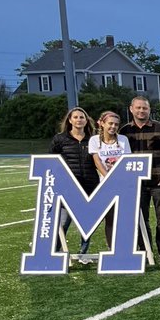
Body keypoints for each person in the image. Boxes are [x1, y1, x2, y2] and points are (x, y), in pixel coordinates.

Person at [120, 96, 160, 255]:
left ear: (149, 110)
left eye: (144, 108)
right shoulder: (124, 131)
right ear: (131, 109)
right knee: (139, 220)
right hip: (137, 183)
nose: (141, 111)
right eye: (138, 107)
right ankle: (144, 252)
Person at [51, 106, 98, 255]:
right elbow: (51, 161)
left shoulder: (93, 139)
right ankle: (55, 251)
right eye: (76, 117)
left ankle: (83, 252)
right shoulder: (60, 139)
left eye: (82, 117)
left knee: (87, 222)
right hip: (68, 187)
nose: (79, 119)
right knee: (63, 222)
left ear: (86, 120)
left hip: (90, 185)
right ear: (70, 120)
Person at [88, 110, 131, 249]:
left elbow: (127, 161)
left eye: (116, 124)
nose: (113, 126)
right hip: (105, 184)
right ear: (102, 123)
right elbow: (97, 162)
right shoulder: (94, 140)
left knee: (126, 217)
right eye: (110, 123)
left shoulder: (123, 139)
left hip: (123, 184)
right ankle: (112, 247)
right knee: (110, 218)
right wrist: (108, 178)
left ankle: (128, 246)